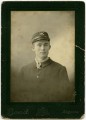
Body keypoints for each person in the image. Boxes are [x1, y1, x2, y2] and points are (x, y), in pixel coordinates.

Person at [14, 31, 73, 102]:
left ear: (49, 47)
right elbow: (18, 96)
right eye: (39, 45)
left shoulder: (60, 70)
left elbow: (66, 97)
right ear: (33, 48)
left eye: (45, 45)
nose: (43, 48)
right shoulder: (24, 70)